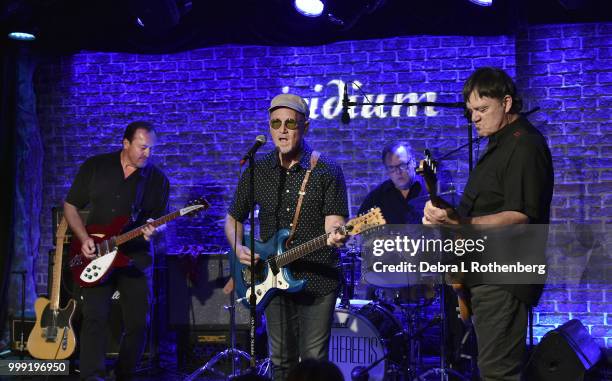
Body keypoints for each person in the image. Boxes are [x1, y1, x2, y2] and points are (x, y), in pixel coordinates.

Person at [423, 67, 554, 380]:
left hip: (503, 277)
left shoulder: (523, 145)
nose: (475, 118)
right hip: (485, 275)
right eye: (471, 111)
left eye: (483, 109)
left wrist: (461, 222)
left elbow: (520, 217)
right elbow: (482, 210)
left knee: (497, 374)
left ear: (506, 103)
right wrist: (444, 217)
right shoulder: (498, 144)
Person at [225, 93, 348, 381]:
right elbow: (234, 217)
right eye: (275, 123)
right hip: (272, 279)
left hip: (318, 280)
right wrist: (238, 246)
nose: (282, 129)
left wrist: (337, 236)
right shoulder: (258, 169)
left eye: (290, 123)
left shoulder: (327, 170)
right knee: (281, 361)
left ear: (305, 126)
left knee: (314, 364)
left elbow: (335, 224)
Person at [63, 121, 169, 381]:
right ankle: (92, 377)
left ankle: (124, 373)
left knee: (138, 323)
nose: (147, 154)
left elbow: (160, 222)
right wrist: (84, 237)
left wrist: (153, 230)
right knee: (94, 318)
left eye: (151, 149)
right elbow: (70, 206)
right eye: (142, 148)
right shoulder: (96, 167)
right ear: (126, 144)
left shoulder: (157, 180)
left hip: (135, 257)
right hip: (97, 252)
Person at [357, 142, 423, 224]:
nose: (398, 172)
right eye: (391, 168)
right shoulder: (377, 196)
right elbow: (358, 228)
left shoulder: (431, 188)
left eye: (402, 165)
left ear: (413, 162)